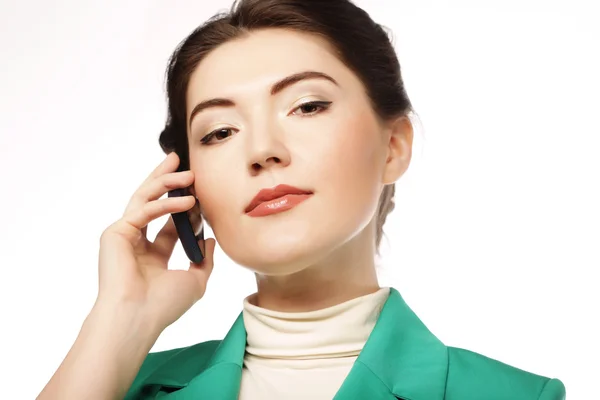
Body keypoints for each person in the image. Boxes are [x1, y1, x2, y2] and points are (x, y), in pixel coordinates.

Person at [38, 0, 566, 399]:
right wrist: (121, 319)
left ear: (393, 146)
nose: (262, 150)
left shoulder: (514, 395)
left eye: (307, 106)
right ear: (187, 185)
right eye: (219, 132)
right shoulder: (118, 383)